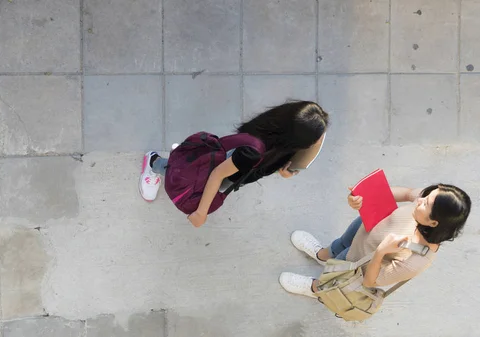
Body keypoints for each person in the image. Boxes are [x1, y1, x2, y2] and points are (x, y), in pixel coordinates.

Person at [138, 100, 330, 227]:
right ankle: (154, 162)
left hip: (220, 157)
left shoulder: (271, 125)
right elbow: (218, 175)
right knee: (179, 172)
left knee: (188, 168)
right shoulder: (254, 153)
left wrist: (282, 170)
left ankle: (180, 161)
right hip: (221, 170)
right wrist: (201, 213)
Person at [279, 183, 471, 298]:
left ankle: (315, 288)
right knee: (340, 243)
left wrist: (381, 252)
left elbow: (370, 281)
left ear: (434, 222)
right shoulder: (429, 201)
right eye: (428, 195)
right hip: (364, 226)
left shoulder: (418, 258)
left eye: (426, 203)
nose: (421, 199)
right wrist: (361, 198)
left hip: (358, 259)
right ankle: (322, 255)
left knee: (335, 271)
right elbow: (406, 193)